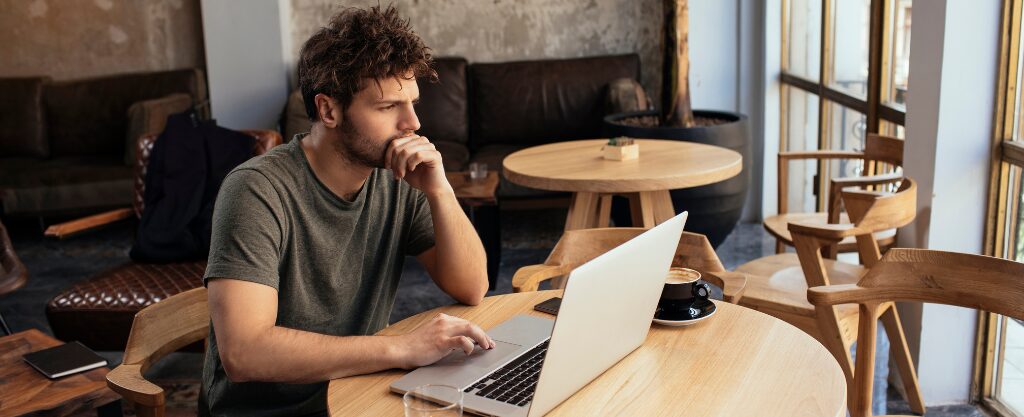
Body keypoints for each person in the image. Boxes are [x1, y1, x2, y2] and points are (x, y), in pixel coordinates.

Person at [199, 5, 494, 416]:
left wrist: (440, 189)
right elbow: (244, 353)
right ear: (328, 111)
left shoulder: (398, 178)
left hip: (359, 394)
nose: (412, 123)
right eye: (389, 107)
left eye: (412, 103)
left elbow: (472, 286)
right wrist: (401, 347)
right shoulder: (256, 190)